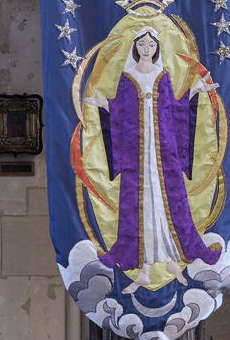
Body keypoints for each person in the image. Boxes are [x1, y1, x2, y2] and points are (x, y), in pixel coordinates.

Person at [85, 23, 217, 289]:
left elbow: (175, 109)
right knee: (140, 202)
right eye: (142, 45)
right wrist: (104, 105)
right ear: (136, 48)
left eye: (151, 45)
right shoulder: (127, 76)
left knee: (166, 199)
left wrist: (195, 90)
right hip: (137, 153)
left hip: (162, 150)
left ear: (157, 48)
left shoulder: (162, 75)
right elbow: (121, 110)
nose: (147, 49)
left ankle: (171, 259)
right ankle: (143, 266)